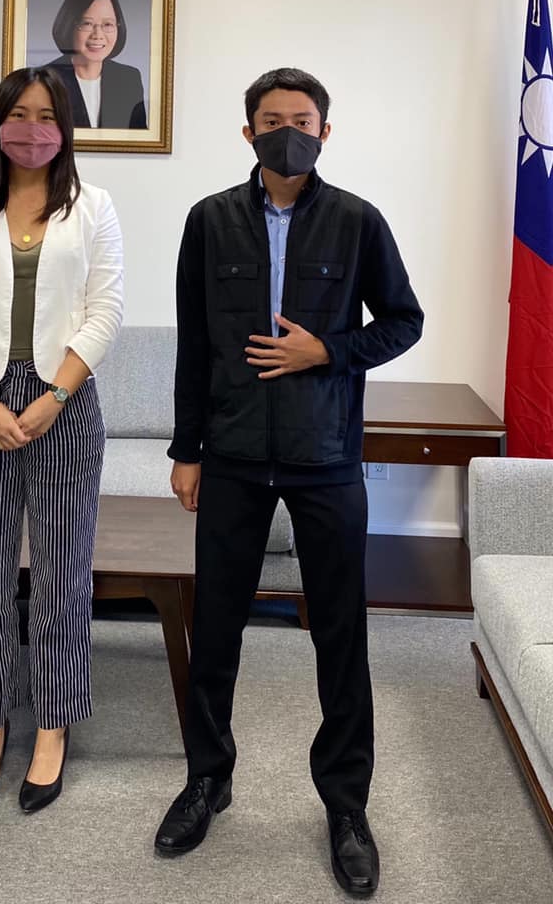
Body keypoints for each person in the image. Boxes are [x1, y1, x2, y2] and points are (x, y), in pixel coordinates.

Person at [153, 68, 423, 896]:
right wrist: (187, 449)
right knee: (216, 629)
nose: (288, 134)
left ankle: (346, 806)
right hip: (233, 454)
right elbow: (195, 344)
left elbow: (404, 322)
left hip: (326, 456)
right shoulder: (208, 221)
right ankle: (207, 779)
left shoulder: (357, 221)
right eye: (272, 121)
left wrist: (326, 351)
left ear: (325, 132)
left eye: (302, 121)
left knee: (340, 634)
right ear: (248, 133)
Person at [0, 67, 123, 814]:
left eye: (47, 116)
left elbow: (105, 310)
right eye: (18, 114)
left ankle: (51, 723)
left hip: (64, 401)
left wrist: (56, 397)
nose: (32, 129)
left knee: (62, 575)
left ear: (65, 128)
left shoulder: (94, 206)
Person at [46, 0, 147, 130]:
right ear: (68, 25)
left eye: (107, 24)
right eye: (87, 23)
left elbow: (139, 138)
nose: (98, 35)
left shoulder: (128, 79)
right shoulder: (45, 80)